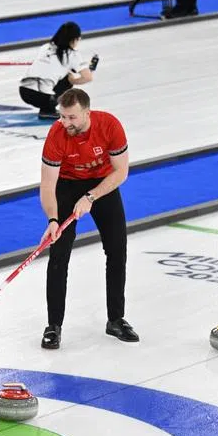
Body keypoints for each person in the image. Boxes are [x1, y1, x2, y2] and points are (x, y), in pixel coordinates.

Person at [39, 88, 138, 350]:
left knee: (117, 250)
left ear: (86, 113)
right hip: (67, 185)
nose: (65, 123)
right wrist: (52, 220)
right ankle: (53, 326)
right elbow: (48, 185)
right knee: (59, 254)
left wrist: (91, 197)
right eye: (62, 116)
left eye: (71, 117)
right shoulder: (57, 134)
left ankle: (116, 319)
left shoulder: (109, 126)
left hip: (103, 184)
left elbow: (121, 172)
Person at [19, 22, 97, 120]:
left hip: (23, 91)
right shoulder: (72, 55)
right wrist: (72, 81)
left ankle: (46, 107)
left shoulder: (45, 47)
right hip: (43, 97)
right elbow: (88, 77)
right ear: (74, 39)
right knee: (68, 78)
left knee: (61, 75)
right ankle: (48, 109)